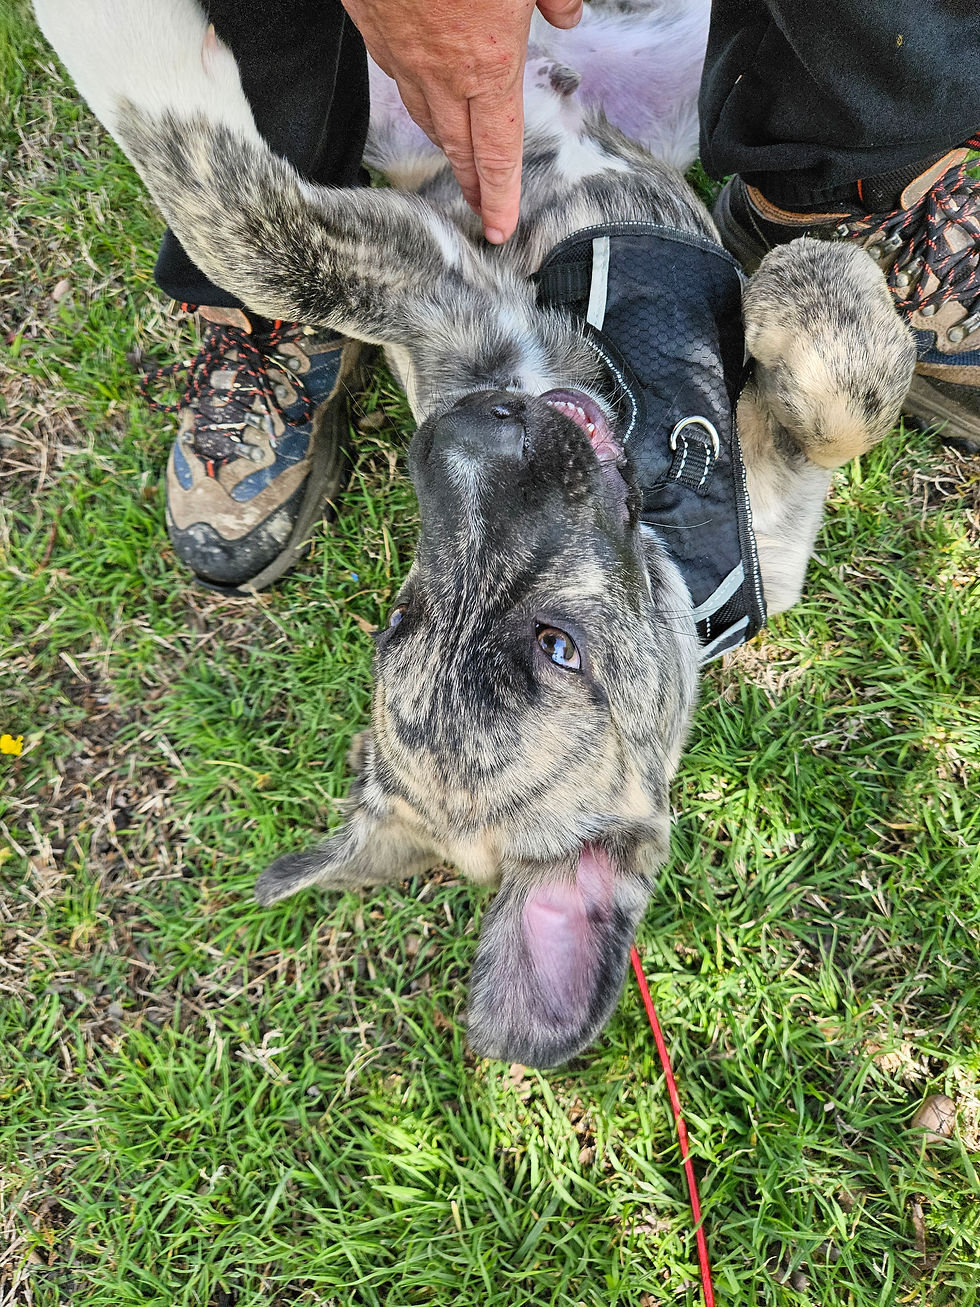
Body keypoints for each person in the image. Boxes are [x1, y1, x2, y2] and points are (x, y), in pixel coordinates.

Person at [151, 0, 980, 593]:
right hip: (646, 120)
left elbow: (418, 291)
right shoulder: (750, 561)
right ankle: (850, 192)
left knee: (269, 129)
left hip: (433, 154)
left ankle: (260, 306)